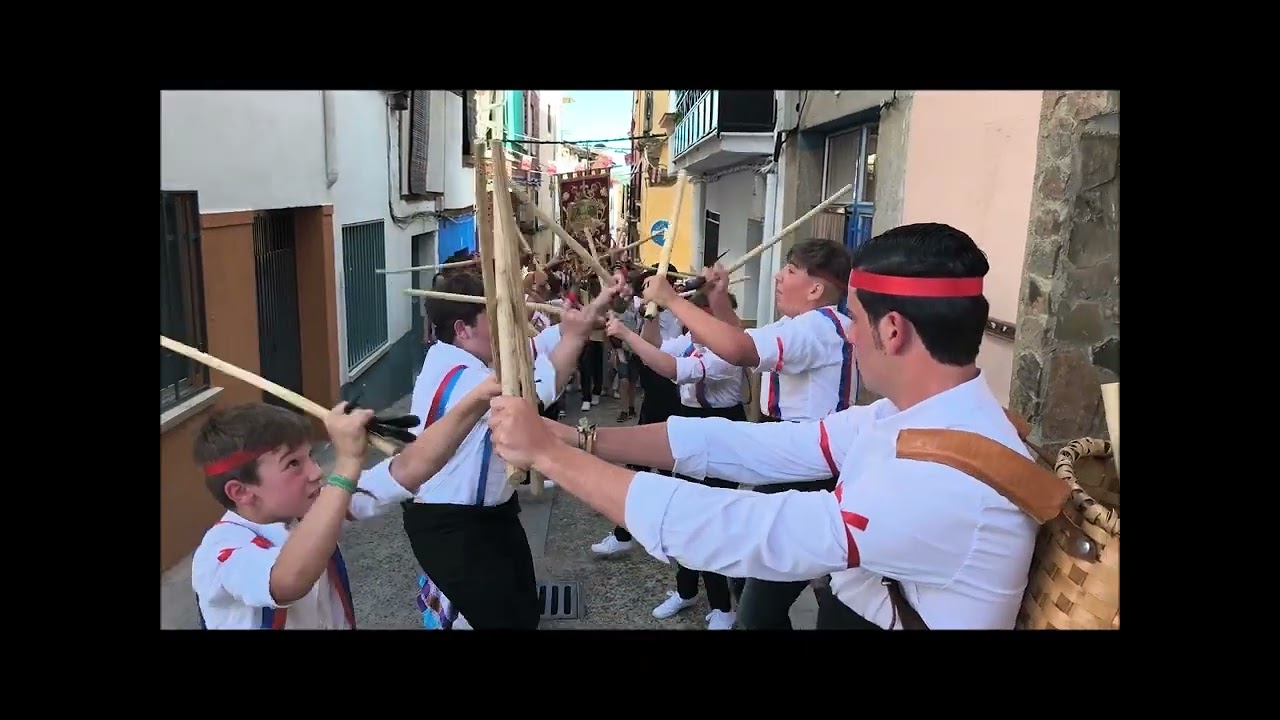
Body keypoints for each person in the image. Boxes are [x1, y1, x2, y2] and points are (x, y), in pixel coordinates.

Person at [489, 223, 1041, 630]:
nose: (847, 334)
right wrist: (580, 438)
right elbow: (748, 443)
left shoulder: (949, 477)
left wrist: (552, 457)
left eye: (855, 319)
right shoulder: (902, 418)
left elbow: (744, 529)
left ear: (892, 329)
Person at [642, 238, 855, 629]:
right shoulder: (802, 325)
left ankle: (822, 582)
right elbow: (741, 338)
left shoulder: (817, 328)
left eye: (790, 270)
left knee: (758, 602)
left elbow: (740, 350)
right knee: (750, 571)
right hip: (789, 454)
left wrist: (672, 300)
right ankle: (822, 582)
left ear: (815, 289)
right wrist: (720, 300)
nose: (778, 276)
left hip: (808, 465)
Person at [190, 375, 501, 629]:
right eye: (293, 464)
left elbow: (408, 469)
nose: (315, 472)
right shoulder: (219, 553)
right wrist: (347, 464)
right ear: (241, 492)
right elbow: (287, 581)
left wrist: (477, 398)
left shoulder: (310, 508)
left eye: (309, 456)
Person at [403, 270, 615, 629]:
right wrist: (577, 336)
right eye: (493, 319)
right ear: (463, 329)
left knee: (519, 608)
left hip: (484, 517)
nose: (503, 331)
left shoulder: (458, 357)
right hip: (455, 524)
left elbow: (531, 350)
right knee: (490, 618)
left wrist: (589, 310)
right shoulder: (464, 377)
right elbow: (534, 392)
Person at [605, 291, 744, 629]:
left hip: (724, 431)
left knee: (708, 520)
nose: (691, 324)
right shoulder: (687, 340)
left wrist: (623, 334)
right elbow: (654, 350)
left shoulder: (727, 352)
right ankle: (686, 591)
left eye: (700, 316)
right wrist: (652, 313)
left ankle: (724, 606)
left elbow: (673, 368)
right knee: (683, 510)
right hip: (689, 423)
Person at [587, 267, 683, 559]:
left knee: (662, 468)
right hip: (654, 395)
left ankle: (652, 534)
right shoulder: (648, 309)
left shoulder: (672, 313)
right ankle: (627, 532)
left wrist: (652, 308)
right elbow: (623, 311)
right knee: (643, 466)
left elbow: (653, 348)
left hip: (670, 394)